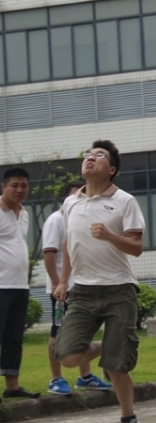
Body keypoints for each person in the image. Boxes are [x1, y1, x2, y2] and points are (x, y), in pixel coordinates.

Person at [53, 141, 145, 423]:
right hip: (82, 290)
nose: (90, 158)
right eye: (87, 155)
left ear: (112, 169)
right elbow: (71, 241)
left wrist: (109, 236)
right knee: (66, 355)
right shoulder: (71, 203)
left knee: (117, 368)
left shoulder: (124, 201)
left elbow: (136, 247)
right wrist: (63, 281)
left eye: (99, 156)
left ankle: (128, 416)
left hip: (119, 289)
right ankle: (107, 346)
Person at [43, 182, 110, 395]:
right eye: (75, 197)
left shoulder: (83, 220)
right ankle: (56, 379)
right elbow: (49, 252)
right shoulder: (56, 221)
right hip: (63, 290)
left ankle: (86, 376)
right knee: (57, 333)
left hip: (84, 286)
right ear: (66, 200)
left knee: (85, 332)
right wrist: (57, 283)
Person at [0, 168, 40, 400]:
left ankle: (12, 386)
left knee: (14, 338)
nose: (19, 190)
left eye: (24, 185)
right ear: (3, 187)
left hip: (19, 286)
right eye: (14, 185)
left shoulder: (24, 213)